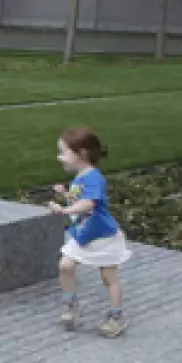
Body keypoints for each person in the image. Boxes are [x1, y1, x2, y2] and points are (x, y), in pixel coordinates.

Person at [49, 126, 133, 337]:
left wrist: (65, 210)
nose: (59, 157)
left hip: (103, 237)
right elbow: (79, 198)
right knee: (65, 266)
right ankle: (71, 303)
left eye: (63, 152)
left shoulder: (93, 177)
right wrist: (65, 194)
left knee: (108, 277)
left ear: (82, 153)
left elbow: (89, 203)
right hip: (84, 235)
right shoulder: (81, 176)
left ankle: (116, 316)